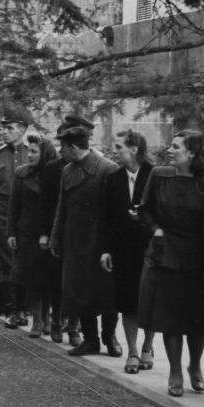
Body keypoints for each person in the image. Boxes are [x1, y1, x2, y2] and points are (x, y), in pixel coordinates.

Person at [137, 130, 204, 397]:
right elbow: (145, 209)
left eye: (176, 146)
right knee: (169, 315)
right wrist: (156, 230)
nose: (170, 151)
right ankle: (174, 371)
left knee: (197, 318)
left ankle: (195, 367)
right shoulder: (159, 175)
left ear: (192, 153)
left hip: (198, 257)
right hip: (165, 253)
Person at [50, 119, 121, 357]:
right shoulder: (67, 171)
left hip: (101, 242)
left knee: (107, 292)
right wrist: (56, 239)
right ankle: (91, 339)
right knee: (79, 291)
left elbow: (115, 212)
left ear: (73, 147)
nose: (60, 152)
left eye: (63, 147)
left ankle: (110, 337)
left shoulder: (107, 168)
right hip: (75, 241)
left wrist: (110, 245)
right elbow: (62, 207)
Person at [100, 130, 156, 374]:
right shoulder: (113, 179)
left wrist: (143, 219)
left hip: (150, 249)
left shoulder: (155, 174)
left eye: (119, 146)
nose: (115, 150)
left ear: (134, 149)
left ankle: (147, 347)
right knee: (128, 302)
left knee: (150, 302)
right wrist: (105, 250)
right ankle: (132, 351)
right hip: (123, 251)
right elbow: (106, 218)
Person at [0, 111, 30, 328]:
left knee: (26, 262)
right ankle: (12, 309)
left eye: (9, 128)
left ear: (23, 130)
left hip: (27, 217)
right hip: (2, 215)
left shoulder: (33, 153)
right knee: (6, 263)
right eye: (3, 127)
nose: (4, 131)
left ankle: (25, 308)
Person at [6, 133, 59, 338]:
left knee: (48, 279)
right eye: (28, 150)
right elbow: (14, 205)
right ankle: (37, 320)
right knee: (30, 279)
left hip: (48, 234)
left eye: (34, 151)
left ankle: (47, 318)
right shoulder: (21, 173)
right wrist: (11, 231)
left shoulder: (54, 173)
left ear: (44, 153)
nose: (29, 155)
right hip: (26, 233)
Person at [39, 122, 79, 345]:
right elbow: (44, 204)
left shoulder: (86, 165)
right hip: (57, 232)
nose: (61, 148)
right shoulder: (52, 168)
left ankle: (73, 326)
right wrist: (45, 233)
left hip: (78, 234)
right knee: (55, 280)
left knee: (76, 282)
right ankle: (55, 321)